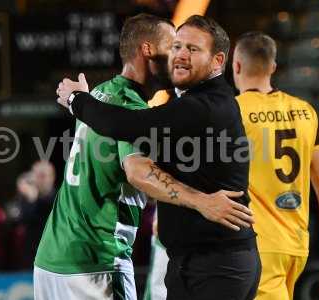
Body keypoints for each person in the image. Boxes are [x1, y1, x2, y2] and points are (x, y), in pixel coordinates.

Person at [39, 14, 254, 300]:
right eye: (175, 46)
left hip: (54, 255)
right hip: (99, 258)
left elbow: (123, 126)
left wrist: (77, 100)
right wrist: (200, 201)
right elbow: (138, 170)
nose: (178, 56)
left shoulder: (102, 96)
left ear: (218, 61)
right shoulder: (129, 106)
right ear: (149, 50)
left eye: (191, 49)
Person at [232, 31, 319, 300]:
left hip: (259, 246)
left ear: (236, 65)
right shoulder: (307, 112)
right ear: (273, 67)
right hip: (296, 246)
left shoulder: (233, 112)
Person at [7, 161, 56, 269]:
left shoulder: (59, 198)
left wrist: (34, 200)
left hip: (52, 256)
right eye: (36, 176)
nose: (39, 180)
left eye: (43, 176)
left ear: (52, 177)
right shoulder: (24, 199)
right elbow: (14, 220)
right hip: (28, 256)